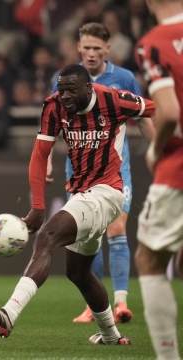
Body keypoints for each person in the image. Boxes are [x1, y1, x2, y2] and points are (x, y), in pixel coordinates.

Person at [0, 64, 155, 345]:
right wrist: (37, 205)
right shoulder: (54, 107)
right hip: (82, 195)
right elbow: (39, 155)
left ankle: (9, 314)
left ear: (88, 87)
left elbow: (153, 108)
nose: (66, 96)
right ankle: (111, 336)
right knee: (78, 272)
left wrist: (162, 148)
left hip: (108, 192)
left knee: (48, 236)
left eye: (72, 90)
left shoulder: (114, 99)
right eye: (62, 90)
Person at [48, 22, 154, 324]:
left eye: (98, 48)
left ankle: (121, 303)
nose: (92, 53)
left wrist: (158, 150)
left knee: (116, 229)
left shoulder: (124, 78)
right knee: (85, 239)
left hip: (117, 172)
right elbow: (52, 122)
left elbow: (144, 114)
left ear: (108, 49)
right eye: (87, 48)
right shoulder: (67, 79)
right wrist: (46, 160)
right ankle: (94, 308)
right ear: (79, 47)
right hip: (78, 174)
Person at [134, 0, 183, 358]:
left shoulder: (154, 41)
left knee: (150, 260)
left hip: (178, 168)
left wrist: (155, 151)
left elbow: (168, 112)